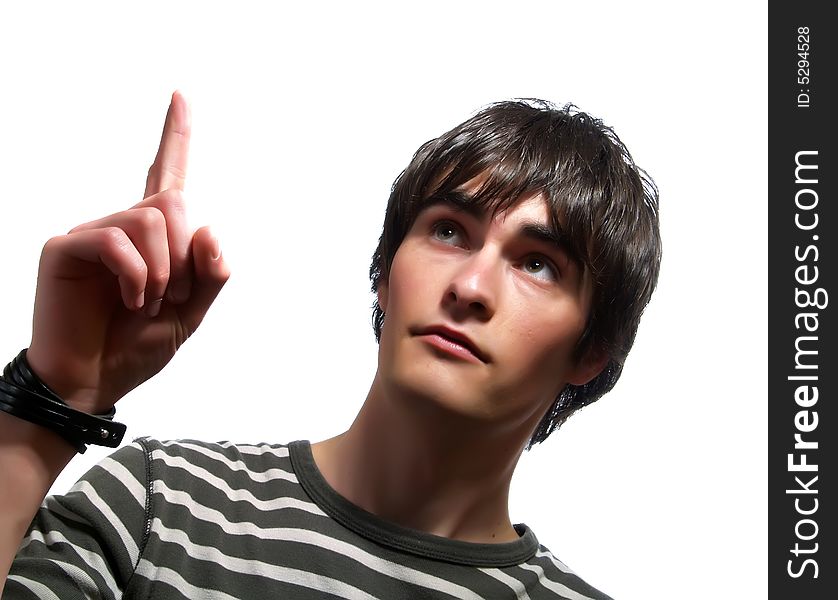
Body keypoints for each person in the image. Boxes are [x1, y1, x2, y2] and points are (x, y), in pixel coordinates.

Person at [0, 91, 660, 599]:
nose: (471, 285)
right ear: (383, 275)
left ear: (591, 350)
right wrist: (53, 401)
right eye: (450, 231)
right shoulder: (160, 503)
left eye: (538, 263)